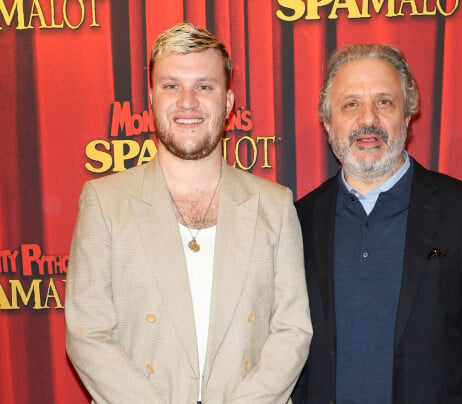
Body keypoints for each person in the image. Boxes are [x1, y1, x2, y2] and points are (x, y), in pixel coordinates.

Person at [65, 22, 312, 404]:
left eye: (204, 85)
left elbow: (293, 330)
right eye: (171, 85)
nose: (187, 102)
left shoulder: (275, 206)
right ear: (151, 98)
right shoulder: (104, 202)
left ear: (228, 102)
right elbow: (88, 333)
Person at [292, 43, 462, 403]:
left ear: (408, 116)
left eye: (384, 102)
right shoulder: (298, 221)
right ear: (328, 122)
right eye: (351, 104)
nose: (368, 120)